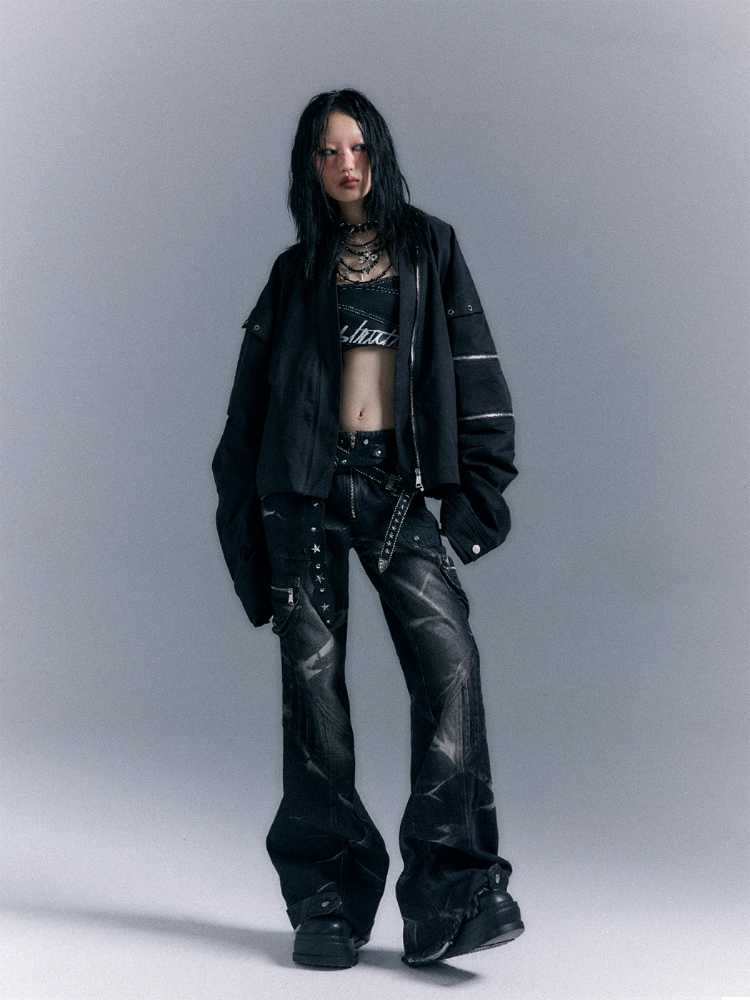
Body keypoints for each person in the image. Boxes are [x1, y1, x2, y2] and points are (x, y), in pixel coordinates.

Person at [211, 88, 525, 969]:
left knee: (450, 664)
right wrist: (248, 541)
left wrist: (472, 503)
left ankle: (451, 898)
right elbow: (246, 413)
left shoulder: (429, 248)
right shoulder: (295, 271)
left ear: (378, 153)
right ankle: (326, 904)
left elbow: (476, 372)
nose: (345, 164)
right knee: (314, 699)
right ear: (310, 168)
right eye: (327, 151)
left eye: (356, 147)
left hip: (394, 487)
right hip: (302, 493)